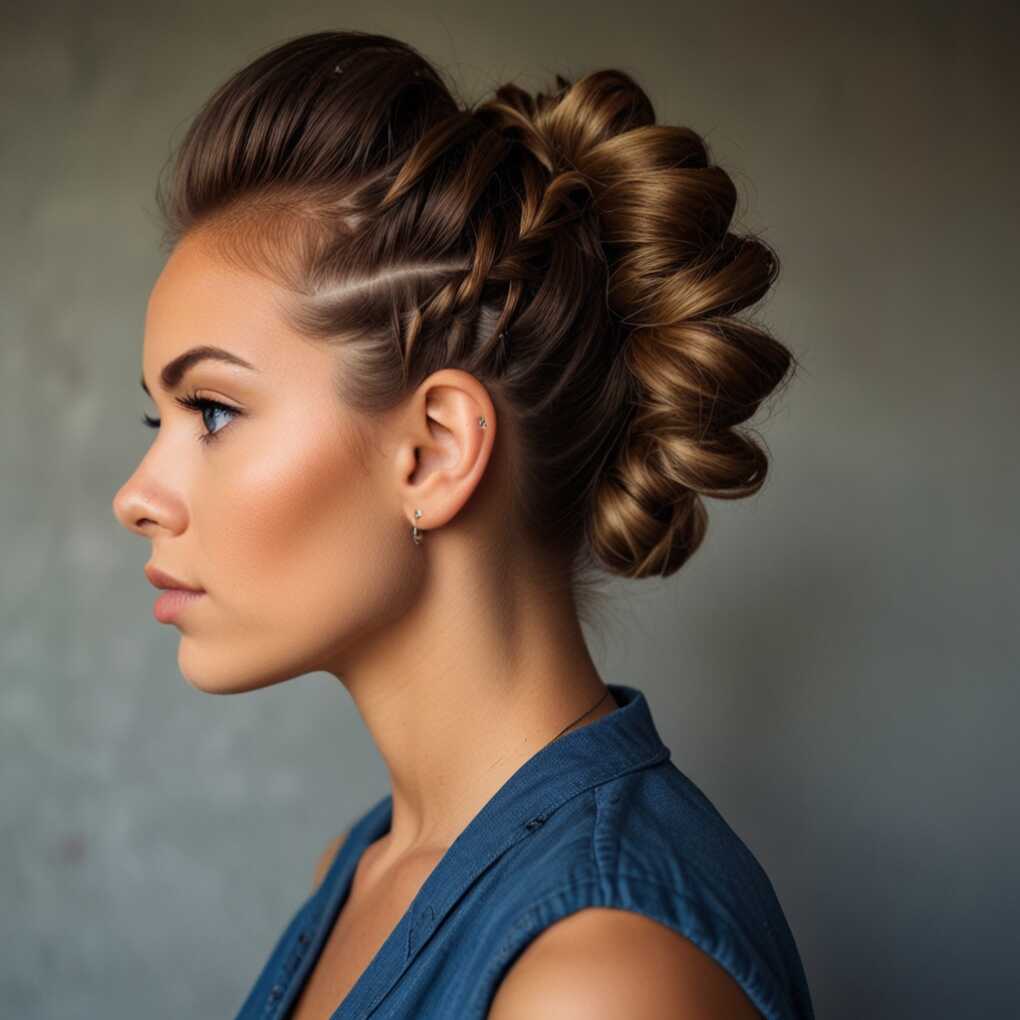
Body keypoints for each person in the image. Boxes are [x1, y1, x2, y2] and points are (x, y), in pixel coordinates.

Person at [112, 29, 813, 1020]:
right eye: (160, 416)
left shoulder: (600, 979)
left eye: (213, 412)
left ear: (436, 452)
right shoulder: (363, 868)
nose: (137, 495)